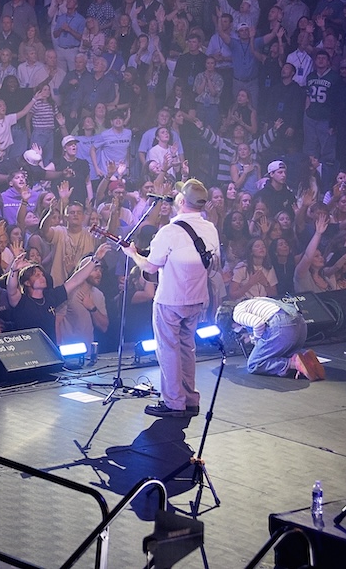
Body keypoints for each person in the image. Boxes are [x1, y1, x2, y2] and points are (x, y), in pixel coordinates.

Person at [123, 178, 220, 417]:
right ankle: (190, 399)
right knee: (187, 349)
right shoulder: (210, 228)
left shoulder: (169, 232)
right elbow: (213, 263)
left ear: (182, 201)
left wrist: (132, 254)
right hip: (197, 298)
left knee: (168, 350)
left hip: (170, 300)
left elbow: (150, 267)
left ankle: (174, 402)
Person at [232, 296, 325, 379]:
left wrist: (256, 340)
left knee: (254, 364)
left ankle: (294, 363)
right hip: (300, 325)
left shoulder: (237, 312)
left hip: (283, 326)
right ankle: (307, 360)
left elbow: (258, 323)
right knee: (281, 354)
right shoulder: (259, 300)